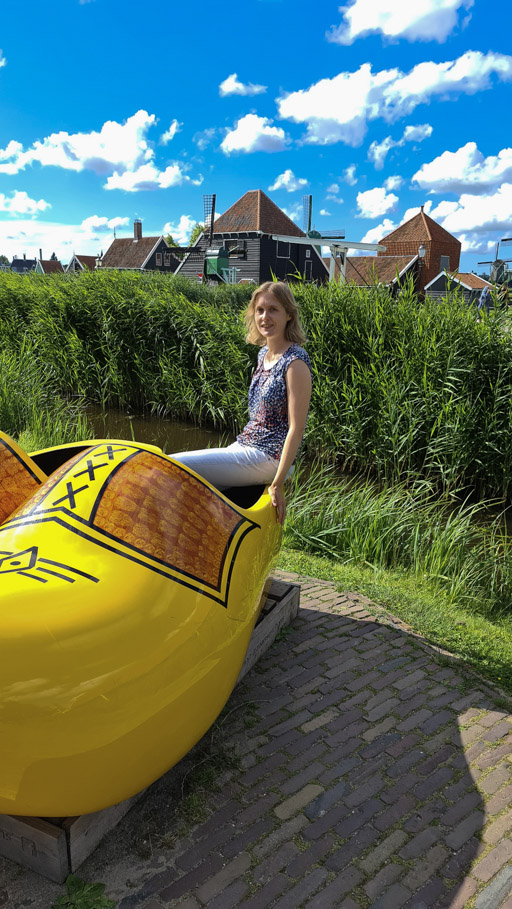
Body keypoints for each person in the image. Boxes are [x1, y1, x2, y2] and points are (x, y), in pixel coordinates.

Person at [171, 281, 312, 525]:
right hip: (247, 444)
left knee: (174, 465)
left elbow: (296, 429)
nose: (265, 317)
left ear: (289, 315)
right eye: (260, 310)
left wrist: (277, 484)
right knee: (201, 487)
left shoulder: (295, 362)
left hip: (269, 456)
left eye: (273, 309)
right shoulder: (263, 354)